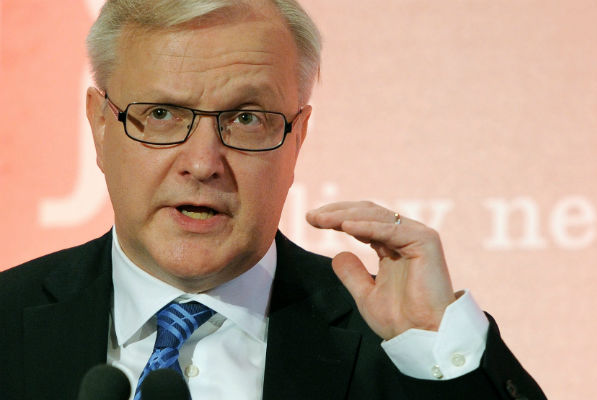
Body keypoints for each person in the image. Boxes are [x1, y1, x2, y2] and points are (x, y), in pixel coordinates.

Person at [0, 0, 546, 399]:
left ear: (297, 137)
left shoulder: (396, 345)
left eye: (246, 118)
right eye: (162, 114)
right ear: (100, 126)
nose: (203, 163)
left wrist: (436, 352)